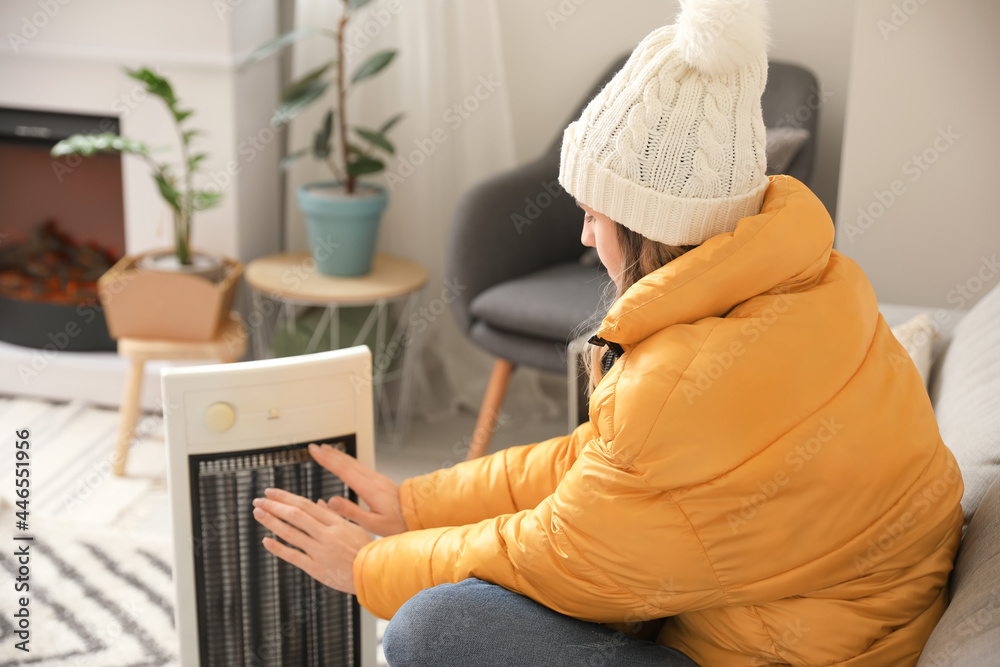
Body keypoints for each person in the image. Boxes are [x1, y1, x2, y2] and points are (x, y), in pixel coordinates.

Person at [250, 0, 965, 664]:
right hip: (837, 615)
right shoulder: (822, 281)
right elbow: (594, 464)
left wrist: (368, 566)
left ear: (649, 225)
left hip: (793, 650)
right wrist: (415, 504)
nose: (588, 238)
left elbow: (561, 548)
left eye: (596, 213)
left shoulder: (679, 390)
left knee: (431, 626)